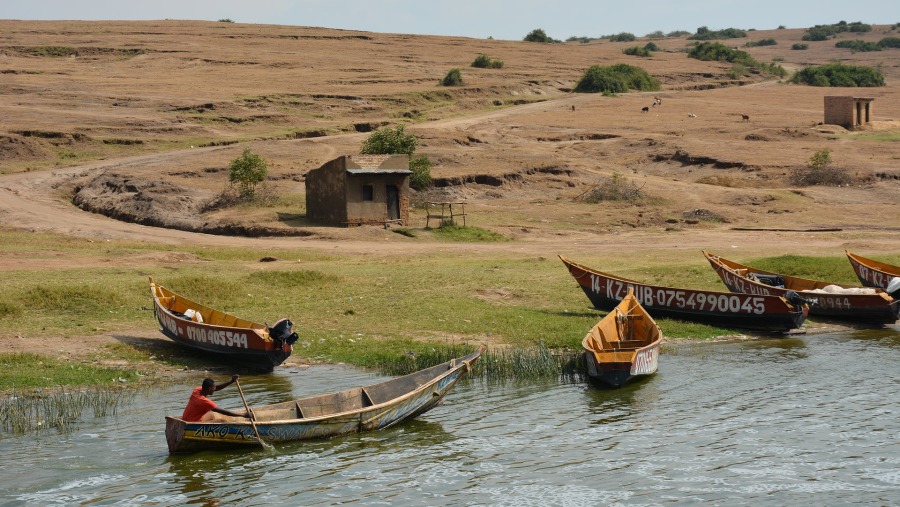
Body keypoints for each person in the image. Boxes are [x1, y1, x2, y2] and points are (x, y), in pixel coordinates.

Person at [181, 375, 250, 422]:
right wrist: (243, 415)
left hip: (185, 419)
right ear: (209, 389)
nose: (215, 389)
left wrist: (231, 381)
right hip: (192, 423)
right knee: (222, 421)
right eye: (213, 388)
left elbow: (217, 387)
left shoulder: (196, 390)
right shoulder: (204, 401)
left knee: (211, 415)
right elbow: (224, 412)